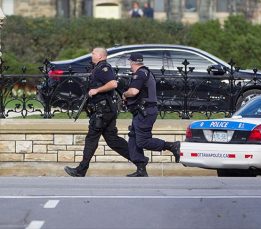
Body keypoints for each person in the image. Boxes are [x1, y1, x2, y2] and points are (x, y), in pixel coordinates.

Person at [64, 47, 130, 177]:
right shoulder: (98, 68)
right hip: (105, 110)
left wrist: (97, 90)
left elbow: (113, 84)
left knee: (91, 139)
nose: (91, 55)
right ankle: (140, 161)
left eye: (93, 53)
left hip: (103, 111)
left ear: (100, 55)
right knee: (113, 140)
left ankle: (81, 170)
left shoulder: (103, 68)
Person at [122, 53, 180, 177]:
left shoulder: (140, 74)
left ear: (132, 62)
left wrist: (124, 94)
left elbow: (133, 91)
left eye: (130, 62)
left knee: (143, 141)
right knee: (133, 139)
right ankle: (141, 169)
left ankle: (171, 146)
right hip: (141, 111)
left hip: (145, 112)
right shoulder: (146, 72)